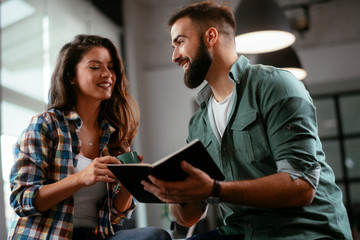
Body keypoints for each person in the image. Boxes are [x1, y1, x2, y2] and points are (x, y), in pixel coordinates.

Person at [141, 1, 353, 239]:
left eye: (180, 42)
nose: (174, 56)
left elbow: (301, 187)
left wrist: (215, 189)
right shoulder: (198, 124)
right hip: (241, 232)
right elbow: (191, 216)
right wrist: (175, 194)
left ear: (210, 36)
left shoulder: (275, 85)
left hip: (303, 229)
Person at [9, 34, 171, 240]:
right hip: (48, 236)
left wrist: (131, 183)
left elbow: (114, 217)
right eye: (95, 67)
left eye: (111, 67)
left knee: (155, 236)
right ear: (71, 76)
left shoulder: (113, 136)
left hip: (95, 235)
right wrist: (81, 178)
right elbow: (21, 200)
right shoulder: (45, 125)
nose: (107, 74)